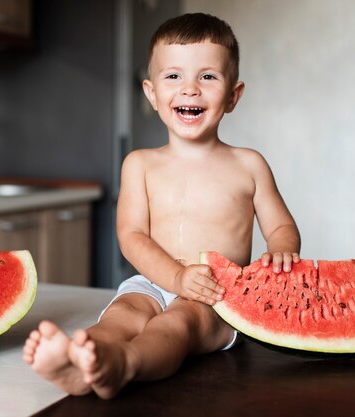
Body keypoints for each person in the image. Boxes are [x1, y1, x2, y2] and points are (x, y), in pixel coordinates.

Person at [23, 13, 300, 399]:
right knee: (123, 314)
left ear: (233, 96)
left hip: (216, 296)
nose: (190, 90)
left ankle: (125, 364)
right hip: (151, 281)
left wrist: (283, 252)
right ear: (152, 94)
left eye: (207, 76)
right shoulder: (140, 164)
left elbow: (281, 227)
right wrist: (174, 277)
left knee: (177, 325)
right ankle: (84, 360)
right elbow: (131, 236)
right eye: (173, 77)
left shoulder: (249, 164)